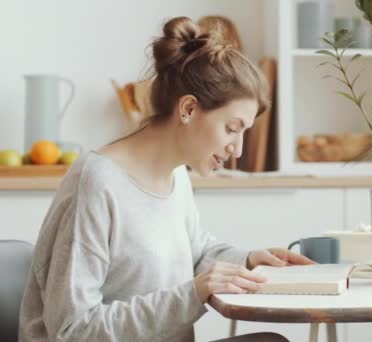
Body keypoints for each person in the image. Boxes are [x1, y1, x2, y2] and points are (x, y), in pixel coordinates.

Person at [18, 16, 313, 342]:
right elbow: (73, 330)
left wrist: (248, 259)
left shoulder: (177, 176)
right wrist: (192, 294)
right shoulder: (96, 183)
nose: (238, 149)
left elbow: (196, 253)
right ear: (188, 108)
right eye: (232, 128)